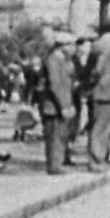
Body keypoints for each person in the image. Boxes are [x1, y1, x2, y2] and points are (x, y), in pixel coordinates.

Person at [40, 29, 77, 175]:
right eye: (71, 45)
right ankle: (54, 165)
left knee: (61, 135)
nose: (73, 48)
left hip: (63, 104)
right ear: (63, 45)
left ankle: (58, 163)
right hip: (54, 106)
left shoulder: (63, 60)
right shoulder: (53, 60)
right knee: (54, 136)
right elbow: (55, 85)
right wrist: (64, 106)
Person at [87, 18, 110, 173]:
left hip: (106, 90)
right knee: (101, 127)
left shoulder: (104, 45)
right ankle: (97, 159)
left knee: (103, 127)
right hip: (104, 91)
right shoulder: (105, 46)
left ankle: (99, 157)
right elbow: (98, 69)